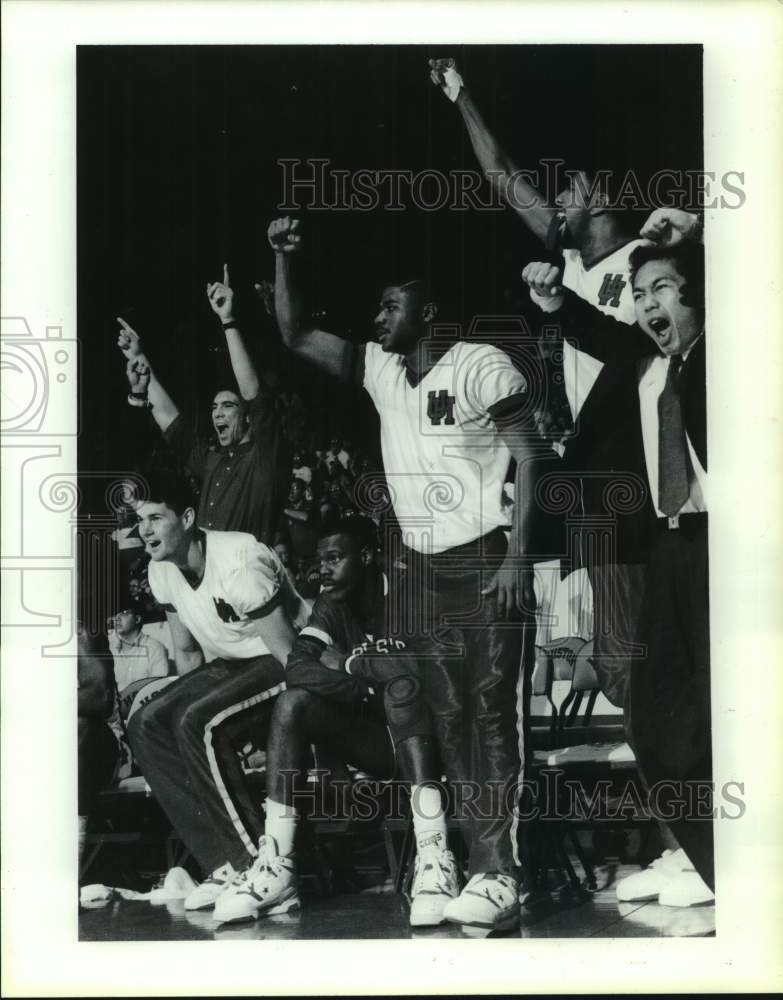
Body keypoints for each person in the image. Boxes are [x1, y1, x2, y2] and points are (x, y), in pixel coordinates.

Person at [264, 216, 540, 932]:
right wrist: (282, 258)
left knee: (489, 716)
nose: (375, 318)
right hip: (416, 567)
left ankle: (499, 872)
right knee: (444, 719)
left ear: (426, 313)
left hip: (484, 558)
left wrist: (516, 554)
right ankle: (452, 865)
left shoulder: (480, 364)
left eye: (389, 307)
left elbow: (533, 456)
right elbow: (294, 334)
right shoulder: (382, 370)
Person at [429, 56, 648, 711]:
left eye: (571, 188)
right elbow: (503, 180)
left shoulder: (643, 263)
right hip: (582, 467)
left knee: (624, 649)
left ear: (603, 197)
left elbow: (630, 356)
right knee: (599, 649)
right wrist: (458, 92)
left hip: (629, 460)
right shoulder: (573, 264)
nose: (556, 199)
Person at [522, 237, 712, 906]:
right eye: (639, 295)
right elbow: (600, 330)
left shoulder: (725, 355)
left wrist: (692, 232)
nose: (646, 305)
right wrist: (553, 300)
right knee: (657, 713)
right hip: (667, 546)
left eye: (661, 289)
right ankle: (704, 854)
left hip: (723, 543)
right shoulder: (644, 361)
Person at [213, 516, 459, 927]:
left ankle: (435, 856)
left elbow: (421, 671)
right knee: (293, 703)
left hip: (436, 741)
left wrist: (352, 663)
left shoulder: (409, 591)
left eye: (334, 558)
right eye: (319, 560)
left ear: (365, 557)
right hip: (379, 740)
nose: (322, 569)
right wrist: (361, 681)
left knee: (403, 691)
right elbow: (297, 667)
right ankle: (278, 864)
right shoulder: (329, 604)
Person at [126, 473, 310, 911]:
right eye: (139, 520)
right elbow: (187, 655)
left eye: (155, 517)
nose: (145, 530)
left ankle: (259, 870)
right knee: (146, 721)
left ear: (188, 518)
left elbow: (289, 656)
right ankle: (222, 866)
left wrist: (231, 717)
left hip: (288, 656)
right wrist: (185, 702)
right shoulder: (160, 570)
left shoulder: (239, 557)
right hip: (235, 663)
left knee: (199, 723)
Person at [117, 263, 290, 545]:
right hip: (209, 583)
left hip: (245, 583)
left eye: (227, 406)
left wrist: (228, 320)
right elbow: (169, 418)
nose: (217, 413)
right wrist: (136, 356)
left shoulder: (265, 457)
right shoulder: (211, 461)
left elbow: (253, 392)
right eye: (213, 408)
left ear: (248, 417)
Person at [77, 623, 120, 871]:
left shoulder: (80, 629)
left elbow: (100, 697)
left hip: (98, 748)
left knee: (78, 725)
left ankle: (71, 856)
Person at [108, 606, 170, 691]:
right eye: (115, 615)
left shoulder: (155, 648)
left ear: (137, 619)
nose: (117, 618)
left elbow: (158, 687)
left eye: (124, 613)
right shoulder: (110, 650)